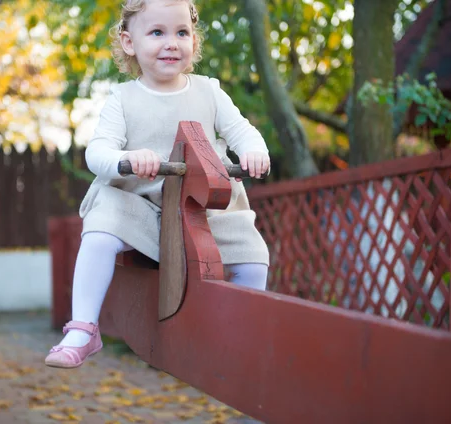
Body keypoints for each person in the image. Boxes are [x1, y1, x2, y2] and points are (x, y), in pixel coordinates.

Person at [45, 0, 271, 369]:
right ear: (129, 42)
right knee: (101, 220)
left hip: (205, 212)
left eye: (182, 32)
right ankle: (83, 328)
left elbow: (242, 130)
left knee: (253, 255)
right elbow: (97, 152)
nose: (172, 43)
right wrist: (128, 159)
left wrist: (253, 151)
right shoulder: (123, 98)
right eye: (157, 32)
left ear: (194, 42)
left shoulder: (208, 91)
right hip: (145, 211)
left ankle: (240, 337)